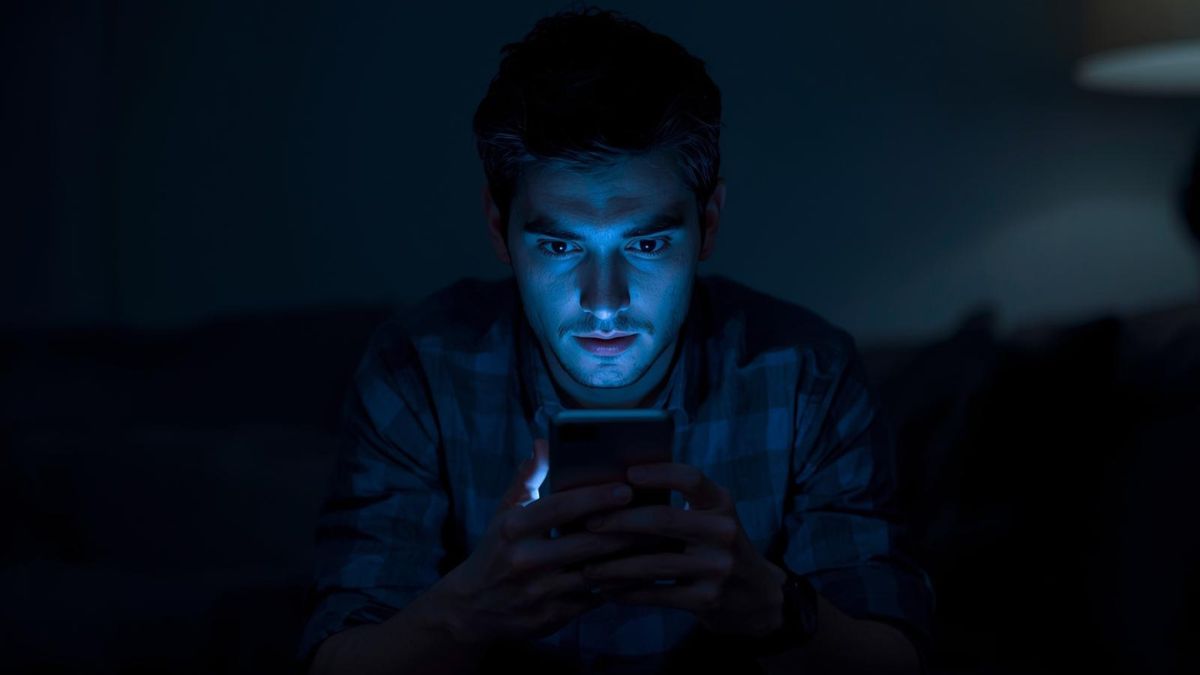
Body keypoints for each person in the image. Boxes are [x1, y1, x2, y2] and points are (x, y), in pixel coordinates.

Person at [296, 7, 933, 674]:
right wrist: (469, 608)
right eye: (561, 244)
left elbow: (899, 654)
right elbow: (334, 654)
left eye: (649, 242)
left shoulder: (809, 377)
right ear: (498, 226)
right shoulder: (418, 372)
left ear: (708, 222)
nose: (605, 302)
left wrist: (773, 604)